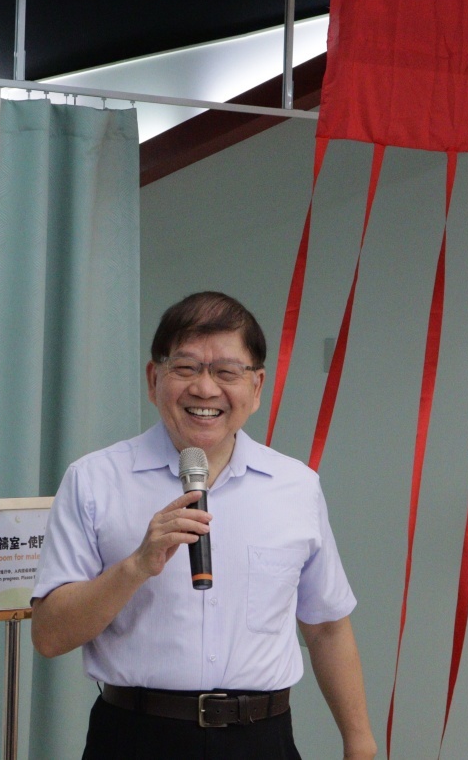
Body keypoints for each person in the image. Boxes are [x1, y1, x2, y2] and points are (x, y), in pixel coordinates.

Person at [32, 291, 377, 760]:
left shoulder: (295, 485)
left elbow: (327, 628)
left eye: (226, 372)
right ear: (154, 379)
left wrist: (360, 743)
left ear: (256, 389)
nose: (206, 389)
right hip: (135, 737)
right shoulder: (93, 480)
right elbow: (50, 635)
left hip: (262, 739)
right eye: (187, 368)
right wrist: (134, 567)